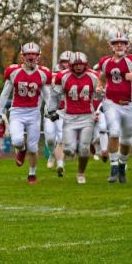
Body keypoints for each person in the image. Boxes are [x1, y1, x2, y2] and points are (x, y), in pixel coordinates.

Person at [97, 30, 132, 184]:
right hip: (111, 102)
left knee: (127, 139)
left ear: (127, 45)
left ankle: (122, 164)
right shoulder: (105, 61)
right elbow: (101, 78)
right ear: (111, 45)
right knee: (114, 132)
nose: (119, 45)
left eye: (122, 43)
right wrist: (100, 87)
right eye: (116, 43)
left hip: (129, 104)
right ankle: (114, 166)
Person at [0, 43, 53, 184]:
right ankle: (21, 150)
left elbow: (47, 96)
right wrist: (0, 112)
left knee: (33, 148)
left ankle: (32, 173)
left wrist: (52, 110)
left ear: (38, 56)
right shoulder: (14, 71)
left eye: (33, 54)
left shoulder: (43, 73)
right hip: (17, 112)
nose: (31, 56)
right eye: (28, 54)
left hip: (34, 113)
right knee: (17, 141)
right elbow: (5, 94)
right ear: (23, 56)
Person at [47, 52, 99, 184]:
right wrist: (52, 110)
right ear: (71, 65)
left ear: (85, 64)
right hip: (70, 116)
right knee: (68, 149)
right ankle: (66, 156)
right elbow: (54, 95)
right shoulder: (63, 76)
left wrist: (100, 108)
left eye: (81, 64)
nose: (78, 67)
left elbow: (101, 95)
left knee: (84, 148)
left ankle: (81, 173)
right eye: (75, 65)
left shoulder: (94, 76)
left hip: (87, 116)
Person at [45, 50, 71, 176]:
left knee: (61, 138)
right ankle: (51, 154)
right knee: (50, 138)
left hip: (62, 111)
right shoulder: (49, 76)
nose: (66, 64)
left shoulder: (72, 77)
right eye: (64, 62)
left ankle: (60, 164)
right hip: (49, 111)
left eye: (68, 61)